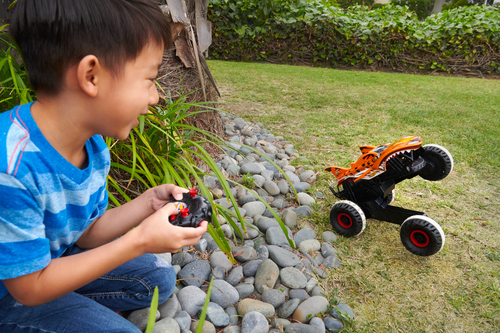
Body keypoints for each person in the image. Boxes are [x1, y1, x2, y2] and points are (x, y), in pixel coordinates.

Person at [0, 0, 208, 331]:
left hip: (47, 264)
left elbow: (85, 233)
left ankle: (68, 298)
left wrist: (147, 203)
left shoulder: (92, 144)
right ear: (91, 75)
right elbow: (28, 288)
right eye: (149, 79)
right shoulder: (11, 168)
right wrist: (138, 240)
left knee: (156, 278)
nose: (155, 97)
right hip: (13, 291)